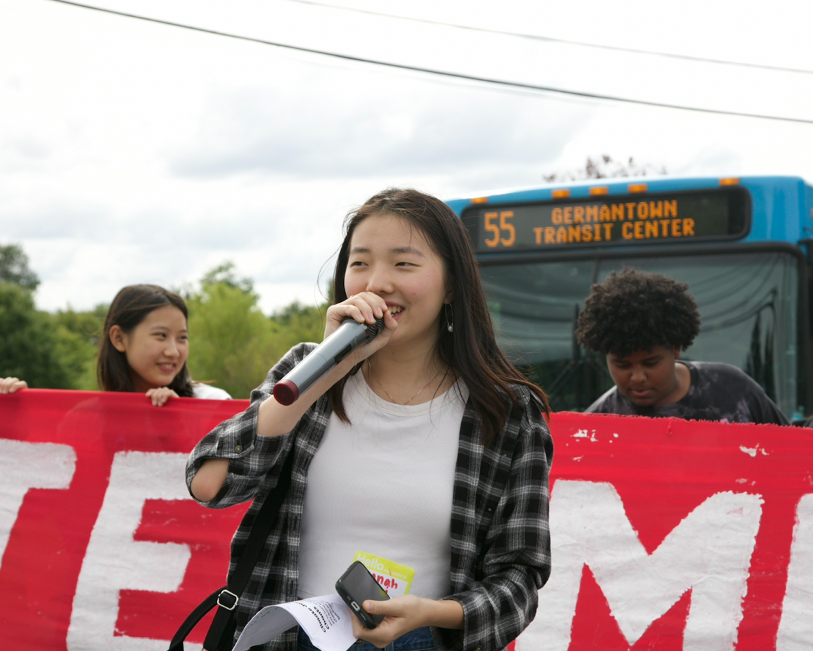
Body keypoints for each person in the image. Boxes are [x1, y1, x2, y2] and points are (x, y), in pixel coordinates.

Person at [187, 188, 553, 651]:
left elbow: (519, 575)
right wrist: (326, 371)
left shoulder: (506, 410)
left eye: (403, 264)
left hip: (420, 641)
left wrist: (435, 613)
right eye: (360, 264)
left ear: (453, 285)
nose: (376, 282)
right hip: (289, 639)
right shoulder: (307, 370)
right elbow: (210, 484)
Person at [576, 268, 789, 425]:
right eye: (623, 365)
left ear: (675, 348)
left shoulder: (734, 389)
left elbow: (795, 453)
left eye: (650, 363)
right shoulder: (597, 423)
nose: (638, 377)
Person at [0, 284, 229, 405]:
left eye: (182, 338)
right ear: (118, 338)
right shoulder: (89, 416)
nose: (173, 351)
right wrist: (15, 410)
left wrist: (184, 419)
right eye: (160, 335)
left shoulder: (214, 404)